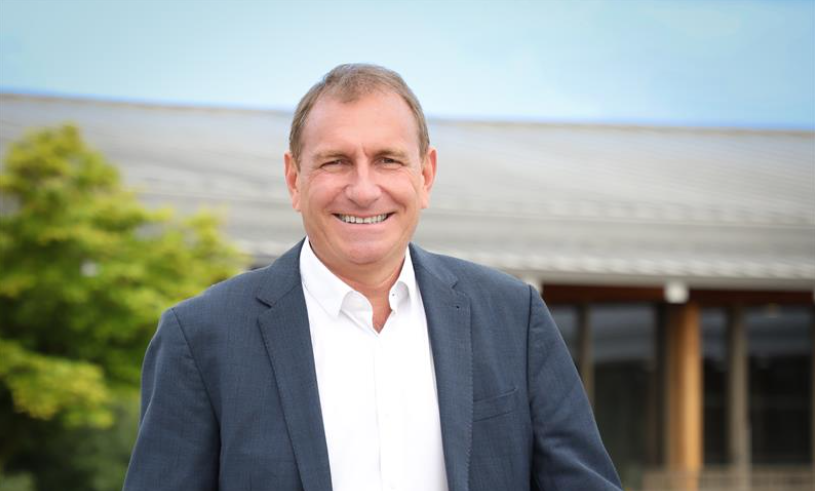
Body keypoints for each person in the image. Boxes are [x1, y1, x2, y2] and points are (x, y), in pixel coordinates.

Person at [123, 64, 622, 491]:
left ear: (425, 176)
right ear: (294, 180)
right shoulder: (201, 338)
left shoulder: (513, 317)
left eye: (387, 160)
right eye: (336, 162)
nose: (363, 190)